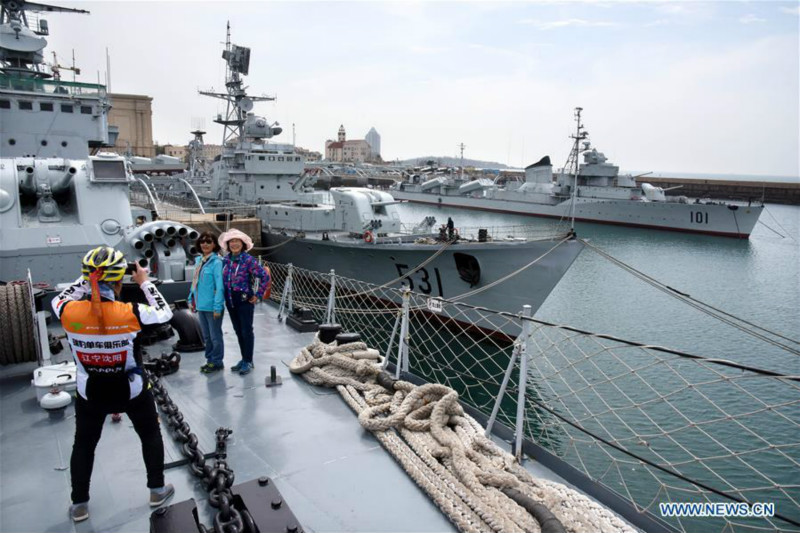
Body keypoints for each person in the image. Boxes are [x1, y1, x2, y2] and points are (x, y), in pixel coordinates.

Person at [51, 247, 175, 522]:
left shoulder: (67, 311)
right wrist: (143, 281)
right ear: (120, 280)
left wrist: (88, 279)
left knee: (83, 445)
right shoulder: (131, 312)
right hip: (131, 390)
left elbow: (60, 298)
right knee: (149, 435)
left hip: (89, 392)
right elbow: (164, 313)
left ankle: (79, 504)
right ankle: (156, 489)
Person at [218, 229, 269, 376]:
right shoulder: (226, 260)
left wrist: (258, 294)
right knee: (238, 330)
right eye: (231, 242)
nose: (234, 244)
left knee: (247, 331)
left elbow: (264, 276)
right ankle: (243, 358)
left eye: (237, 241)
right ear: (228, 244)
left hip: (243, 299)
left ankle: (248, 360)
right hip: (230, 299)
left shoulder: (248, 260)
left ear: (242, 244)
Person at [187, 231, 225, 374]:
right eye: (202, 241)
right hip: (201, 306)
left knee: (215, 337)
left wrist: (217, 307)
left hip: (212, 307)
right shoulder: (199, 261)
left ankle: (217, 362)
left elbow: (219, 286)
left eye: (209, 241)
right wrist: (190, 297)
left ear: (214, 245)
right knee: (207, 337)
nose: (205, 244)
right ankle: (210, 360)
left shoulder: (217, 263)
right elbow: (195, 283)